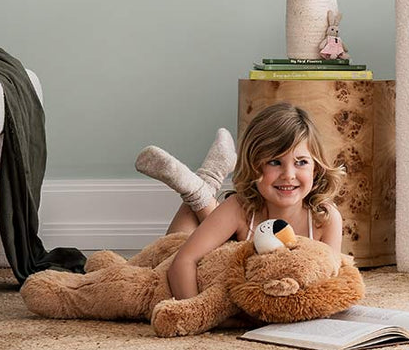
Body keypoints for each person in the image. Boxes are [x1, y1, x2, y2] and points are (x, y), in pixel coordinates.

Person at [134, 102, 344, 300]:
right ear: (253, 165)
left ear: (316, 169)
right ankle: (197, 190)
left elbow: (331, 285)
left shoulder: (324, 218)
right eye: (274, 162)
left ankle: (203, 186)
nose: (288, 174)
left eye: (301, 162)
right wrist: (197, 310)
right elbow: (183, 262)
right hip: (217, 265)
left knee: (209, 224)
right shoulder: (239, 208)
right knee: (172, 249)